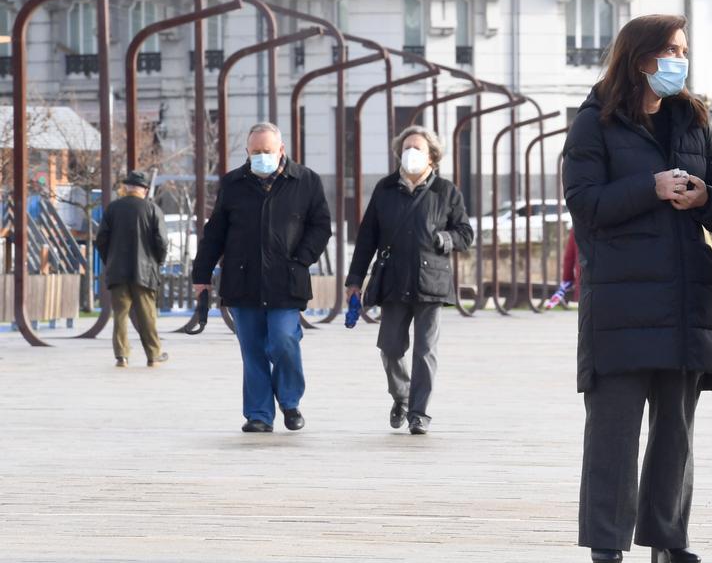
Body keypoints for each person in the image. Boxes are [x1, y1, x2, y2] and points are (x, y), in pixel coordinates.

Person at [564, 14, 712, 563]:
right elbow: (585, 206)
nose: (680, 61)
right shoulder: (595, 121)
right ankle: (606, 538)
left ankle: (668, 533)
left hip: (687, 295)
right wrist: (650, 187)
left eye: (684, 50)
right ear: (641, 59)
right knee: (614, 424)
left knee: (677, 428)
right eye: (671, 50)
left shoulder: (692, 117)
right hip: (622, 299)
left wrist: (703, 196)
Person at [192, 122, 331, 433]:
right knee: (252, 349)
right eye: (255, 152)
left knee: (284, 341)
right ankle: (258, 414)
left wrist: (302, 258)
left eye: (267, 152)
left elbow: (321, 226)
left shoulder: (306, 181)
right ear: (247, 152)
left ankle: (290, 401)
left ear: (281, 150)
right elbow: (215, 233)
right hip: (242, 281)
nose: (261, 157)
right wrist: (201, 274)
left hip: (286, 279)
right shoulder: (233, 183)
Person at [346, 126, 473, 435]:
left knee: (425, 351)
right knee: (390, 348)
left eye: (417, 147)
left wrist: (445, 238)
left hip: (431, 281)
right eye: (406, 148)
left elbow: (465, 234)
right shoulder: (385, 189)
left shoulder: (446, 191)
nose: (410, 153)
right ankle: (401, 397)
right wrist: (354, 280)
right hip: (392, 279)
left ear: (432, 156)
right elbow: (367, 238)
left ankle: (419, 414)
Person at [95, 170, 169, 368]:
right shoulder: (152, 209)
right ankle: (153, 355)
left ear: (126, 188)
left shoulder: (112, 209)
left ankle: (122, 356)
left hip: (117, 271)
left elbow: (101, 240)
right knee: (147, 315)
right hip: (144, 273)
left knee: (120, 315)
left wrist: (109, 259)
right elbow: (162, 242)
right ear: (144, 190)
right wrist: (157, 262)